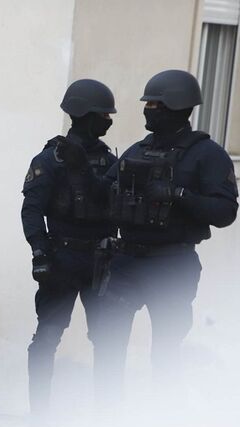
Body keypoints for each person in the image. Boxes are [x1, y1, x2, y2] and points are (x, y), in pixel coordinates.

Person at [76, 70, 238, 405]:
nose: (147, 110)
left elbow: (225, 212)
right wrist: (79, 165)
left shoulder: (207, 154)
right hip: (127, 262)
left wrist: (178, 194)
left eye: (154, 105)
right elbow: (102, 193)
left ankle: (163, 419)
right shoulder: (137, 149)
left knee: (166, 348)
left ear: (176, 107)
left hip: (172, 263)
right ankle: (105, 418)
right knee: (108, 342)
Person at [20, 79, 117, 419]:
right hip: (62, 257)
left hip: (102, 259)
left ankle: (106, 417)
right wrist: (39, 252)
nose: (108, 121)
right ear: (85, 114)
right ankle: (39, 415)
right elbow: (32, 210)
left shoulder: (110, 160)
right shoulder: (51, 159)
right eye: (103, 115)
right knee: (48, 335)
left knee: (107, 339)